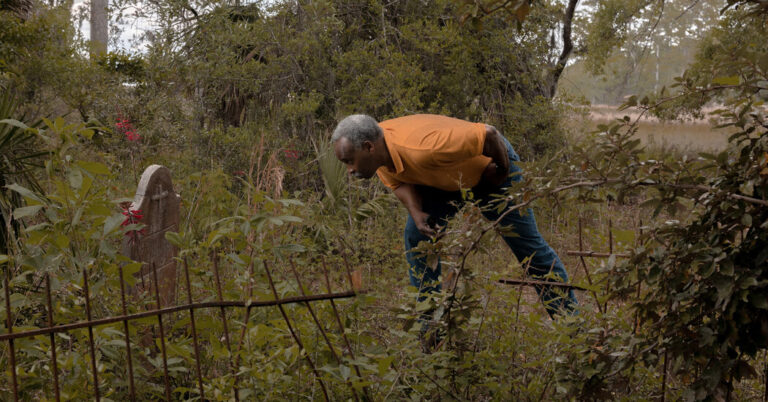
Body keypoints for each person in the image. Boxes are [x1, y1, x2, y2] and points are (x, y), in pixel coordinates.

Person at [332, 114, 577, 318]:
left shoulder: (424, 147)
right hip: (446, 180)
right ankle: (430, 330)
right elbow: (398, 183)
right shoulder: (379, 150)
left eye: (349, 161)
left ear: (367, 147)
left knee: (528, 247)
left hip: (490, 167)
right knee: (418, 238)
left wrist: (501, 171)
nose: (350, 170)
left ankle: (570, 324)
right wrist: (417, 214)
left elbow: (489, 134)